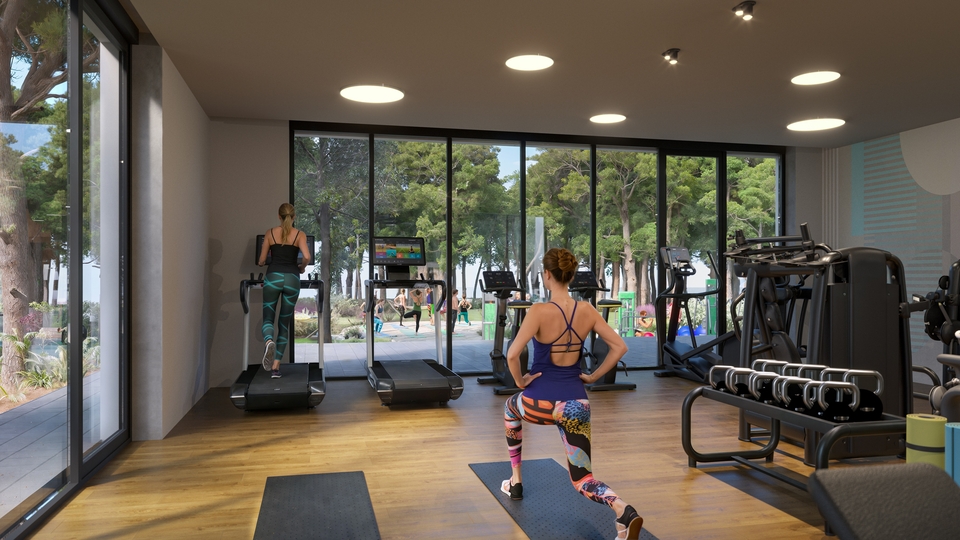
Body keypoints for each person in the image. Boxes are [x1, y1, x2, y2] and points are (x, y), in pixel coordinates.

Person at [502, 247, 643, 540]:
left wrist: (521, 381)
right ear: (570, 275)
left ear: (547, 275)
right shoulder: (587, 310)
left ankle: (516, 481)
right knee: (583, 479)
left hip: (538, 403)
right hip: (576, 405)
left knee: (509, 408)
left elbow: (513, 354)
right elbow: (620, 347)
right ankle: (623, 510)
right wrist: (592, 376)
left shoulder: (538, 311)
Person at [258, 203, 310, 379]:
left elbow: (262, 260)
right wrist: (302, 267)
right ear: (294, 217)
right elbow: (307, 256)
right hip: (292, 280)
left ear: (279, 216)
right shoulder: (300, 234)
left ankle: (268, 341)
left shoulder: (270, 233)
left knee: (268, 318)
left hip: (273, 278)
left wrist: (262, 262)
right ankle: (275, 367)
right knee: (283, 324)